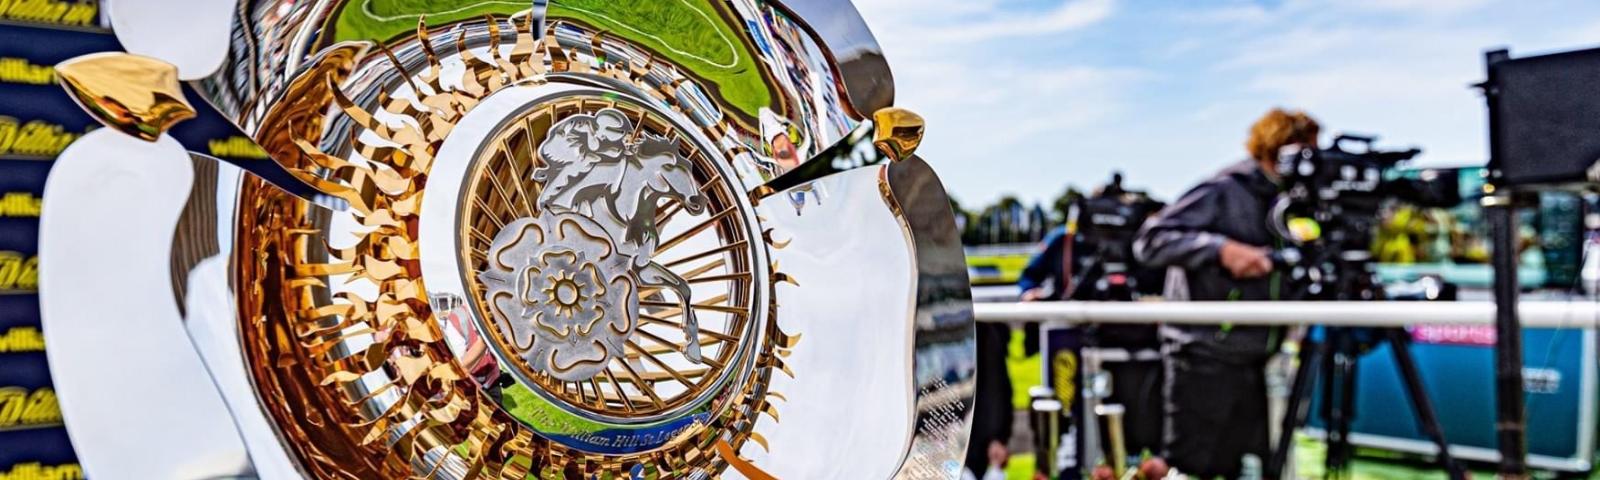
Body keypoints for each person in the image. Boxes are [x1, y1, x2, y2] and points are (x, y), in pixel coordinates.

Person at [1133, 107, 1320, 479]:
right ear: (1276, 148)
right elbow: (1151, 241)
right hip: (1202, 355)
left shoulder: (1289, 201)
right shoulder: (1223, 189)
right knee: (1187, 467)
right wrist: (1221, 250)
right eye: (1304, 152)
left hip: (1256, 359)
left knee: (1245, 468)